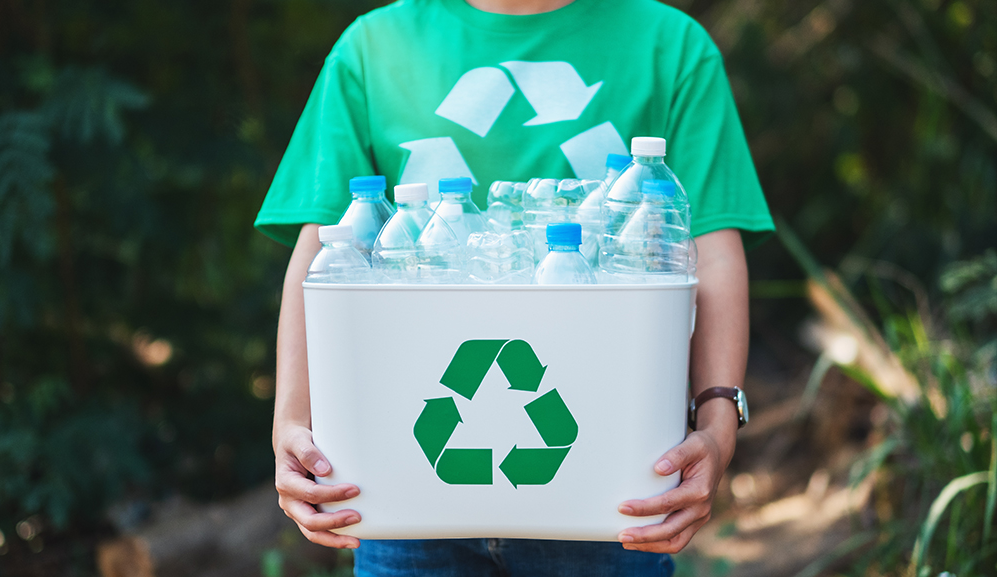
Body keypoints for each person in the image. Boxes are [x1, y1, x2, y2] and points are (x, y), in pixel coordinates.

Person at [254, 0, 774, 574]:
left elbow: (713, 251)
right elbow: (324, 252)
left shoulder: (670, 44)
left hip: (609, 490)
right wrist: (291, 426)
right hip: (403, 485)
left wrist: (719, 426)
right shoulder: (374, 48)